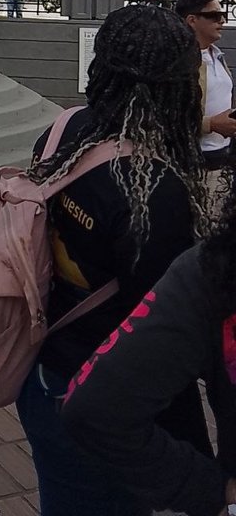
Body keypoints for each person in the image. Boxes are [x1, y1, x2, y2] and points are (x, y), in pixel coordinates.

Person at [16, 5, 213, 516]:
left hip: (44, 370)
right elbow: (163, 337)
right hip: (104, 401)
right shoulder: (156, 193)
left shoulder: (66, 129)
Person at [62, 196, 236, 516]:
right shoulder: (156, 199)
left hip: (53, 361)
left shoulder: (213, 269)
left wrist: (210, 490)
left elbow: (95, 406)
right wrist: (206, 487)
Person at [176, 0, 236, 170]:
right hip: (192, 160)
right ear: (192, 20)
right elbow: (163, 116)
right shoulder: (177, 62)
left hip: (224, 155)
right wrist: (211, 124)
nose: (222, 21)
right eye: (214, 16)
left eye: (223, 15)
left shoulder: (217, 55)